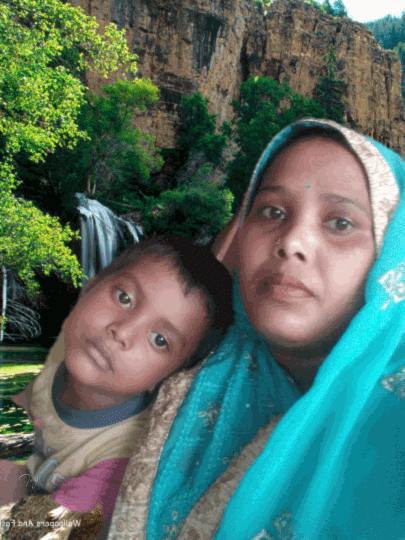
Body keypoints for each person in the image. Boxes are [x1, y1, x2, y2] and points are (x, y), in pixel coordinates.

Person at [105, 118, 405, 540]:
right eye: (272, 211)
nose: (292, 242)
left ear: (392, 258)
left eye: (340, 223)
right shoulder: (194, 380)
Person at [0, 235, 234, 529]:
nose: (121, 332)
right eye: (124, 298)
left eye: (159, 340)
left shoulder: (121, 462)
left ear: (169, 379)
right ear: (90, 286)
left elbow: (38, 532)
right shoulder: (62, 358)